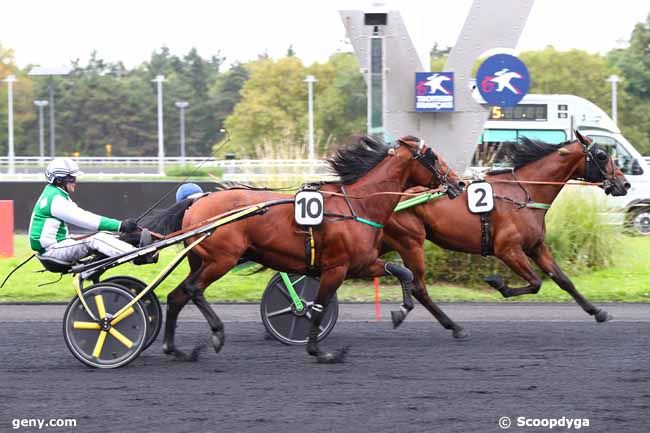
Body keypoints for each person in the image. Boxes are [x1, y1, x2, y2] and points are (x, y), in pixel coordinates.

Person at [29, 157, 139, 263]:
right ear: (59, 180)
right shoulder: (56, 199)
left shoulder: (53, 194)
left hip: (55, 247)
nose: (75, 182)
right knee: (97, 239)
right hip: (53, 251)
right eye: (72, 178)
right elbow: (87, 220)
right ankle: (137, 257)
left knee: (106, 235)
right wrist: (121, 225)